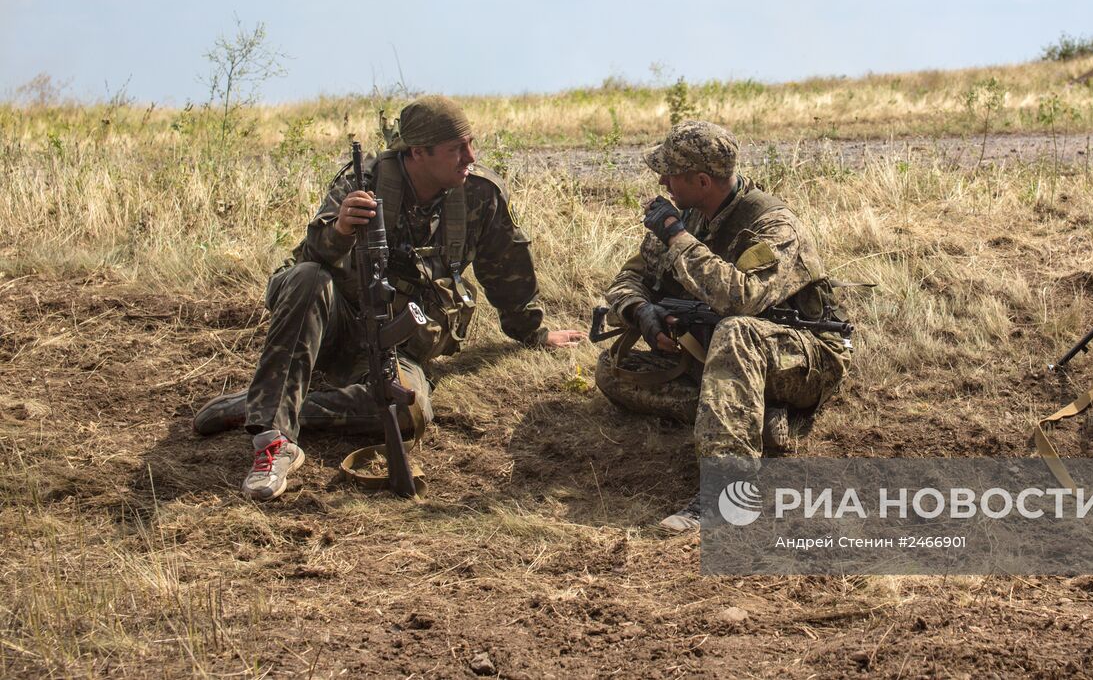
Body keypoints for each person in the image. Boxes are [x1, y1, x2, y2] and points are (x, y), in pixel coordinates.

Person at [193, 94, 584, 501]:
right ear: (418, 152)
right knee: (307, 279)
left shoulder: (480, 194)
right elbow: (306, 263)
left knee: (410, 412)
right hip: (334, 326)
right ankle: (274, 442)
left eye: (470, 143)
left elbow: (505, 266)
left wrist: (533, 332)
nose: (470, 156)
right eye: (456, 149)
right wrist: (340, 230)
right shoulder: (363, 183)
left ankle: (265, 403)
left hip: (400, 346)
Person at [594, 120, 852, 532]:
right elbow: (630, 277)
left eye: (671, 174)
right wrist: (641, 310)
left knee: (737, 330)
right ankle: (754, 417)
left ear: (701, 180)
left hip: (802, 356)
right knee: (613, 371)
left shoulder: (773, 225)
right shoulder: (691, 217)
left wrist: (678, 239)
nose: (662, 181)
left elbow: (742, 300)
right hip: (724, 356)